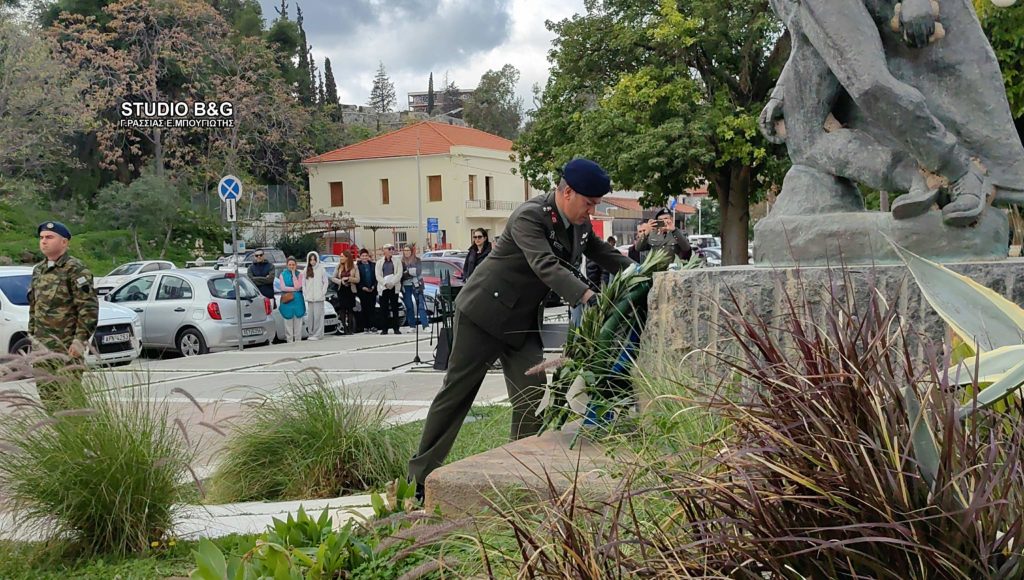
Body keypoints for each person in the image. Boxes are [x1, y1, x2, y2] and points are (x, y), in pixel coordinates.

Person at [408, 158, 634, 498]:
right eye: (589, 203)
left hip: (521, 322)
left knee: (531, 399)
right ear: (568, 192)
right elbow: (544, 265)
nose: (591, 211)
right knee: (456, 395)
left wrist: (645, 273)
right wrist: (587, 296)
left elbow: (607, 255)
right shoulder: (532, 215)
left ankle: (518, 475)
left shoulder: (579, 226)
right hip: (483, 314)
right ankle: (419, 479)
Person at [28, 221, 98, 410]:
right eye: (41, 238)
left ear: (64, 242)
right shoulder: (38, 270)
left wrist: (80, 340)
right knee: (49, 398)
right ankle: (63, 438)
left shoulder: (75, 269)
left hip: (66, 348)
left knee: (70, 398)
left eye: (49, 237)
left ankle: (84, 436)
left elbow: (88, 308)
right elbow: (34, 308)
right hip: (42, 348)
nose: (44, 242)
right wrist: (32, 338)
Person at [275, 256, 306, 343]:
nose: (291, 266)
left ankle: (298, 341)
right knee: (288, 322)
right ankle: (289, 341)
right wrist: (295, 289)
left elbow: (298, 286)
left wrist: (293, 275)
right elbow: (283, 288)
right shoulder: (282, 274)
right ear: (287, 265)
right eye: (290, 264)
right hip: (287, 301)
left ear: (296, 265)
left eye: (293, 265)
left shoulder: (299, 274)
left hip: (298, 301)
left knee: (298, 322)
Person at [375, 244, 403, 335]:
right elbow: (378, 275)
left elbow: (399, 273)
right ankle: (384, 329)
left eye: (392, 249)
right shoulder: (379, 262)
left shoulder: (397, 261)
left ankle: (396, 328)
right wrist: (385, 283)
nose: (391, 250)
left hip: (394, 286)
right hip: (383, 287)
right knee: (384, 308)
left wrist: (392, 283)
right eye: (389, 249)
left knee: (395, 307)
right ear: (384, 250)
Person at [330, 250, 359, 335]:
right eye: (340, 256)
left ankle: (350, 329)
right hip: (342, 289)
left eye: (342, 256)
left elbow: (358, 279)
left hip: (350, 289)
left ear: (347, 257)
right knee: (343, 309)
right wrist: (340, 281)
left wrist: (349, 279)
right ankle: (345, 329)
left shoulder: (354, 266)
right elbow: (333, 278)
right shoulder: (338, 266)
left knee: (350, 309)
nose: (341, 258)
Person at [400, 245, 429, 330]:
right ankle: (412, 325)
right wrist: (409, 272)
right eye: (405, 250)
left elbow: (417, 271)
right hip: (406, 286)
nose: (406, 252)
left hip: (417, 285)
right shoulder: (401, 262)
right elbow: (401, 275)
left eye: (408, 250)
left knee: (420, 305)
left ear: (411, 251)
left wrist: (407, 272)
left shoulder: (417, 260)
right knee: (409, 306)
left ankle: (425, 325)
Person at [302, 251, 328, 340]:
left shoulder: (321, 269)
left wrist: (322, 293)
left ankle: (318, 334)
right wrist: (305, 293)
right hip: (310, 298)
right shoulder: (306, 270)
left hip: (319, 297)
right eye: (311, 260)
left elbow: (325, 282)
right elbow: (303, 284)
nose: (312, 262)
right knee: (310, 317)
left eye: (314, 260)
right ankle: (311, 333)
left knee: (318, 316)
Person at [355, 248, 378, 332]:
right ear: (360, 257)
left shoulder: (373, 265)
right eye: (363, 256)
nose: (364, 257)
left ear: (368, 256)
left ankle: (373, 325)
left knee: (372, 308)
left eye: (366, 256)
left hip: (372, 290)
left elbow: (376, 277)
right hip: (362, 291)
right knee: (364, 308)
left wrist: (373, 286)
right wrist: (362, 287)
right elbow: (357, 279)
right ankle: (366, 326)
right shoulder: (357, 266)